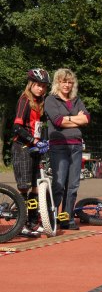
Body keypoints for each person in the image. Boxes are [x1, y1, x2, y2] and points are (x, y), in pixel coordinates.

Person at [44, 68, 90, 230]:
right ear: (58, 82)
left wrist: (68, 119)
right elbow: (58, 121)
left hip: (76, 145)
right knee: (59, 184)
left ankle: (67, 219)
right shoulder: (51, 100)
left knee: (73, 186)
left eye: (70, 82)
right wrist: (76, 119)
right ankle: (51, 218)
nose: (67, 85)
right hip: (59, 146)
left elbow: (86, 119)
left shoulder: (76, 100)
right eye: (64, 81)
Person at [11, 68, 50, 236]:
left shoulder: (41, 102)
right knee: (24, 187)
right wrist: (33, 140)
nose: (41, 88)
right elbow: (16, 127)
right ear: (31, 84)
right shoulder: (24, 100)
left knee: (35, 186)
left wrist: (44, 141)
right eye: (38, 85)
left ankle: (33, 221)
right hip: (22, 147)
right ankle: (21, 224)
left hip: (35, 148)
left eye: (43, 86)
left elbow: (41, 126)